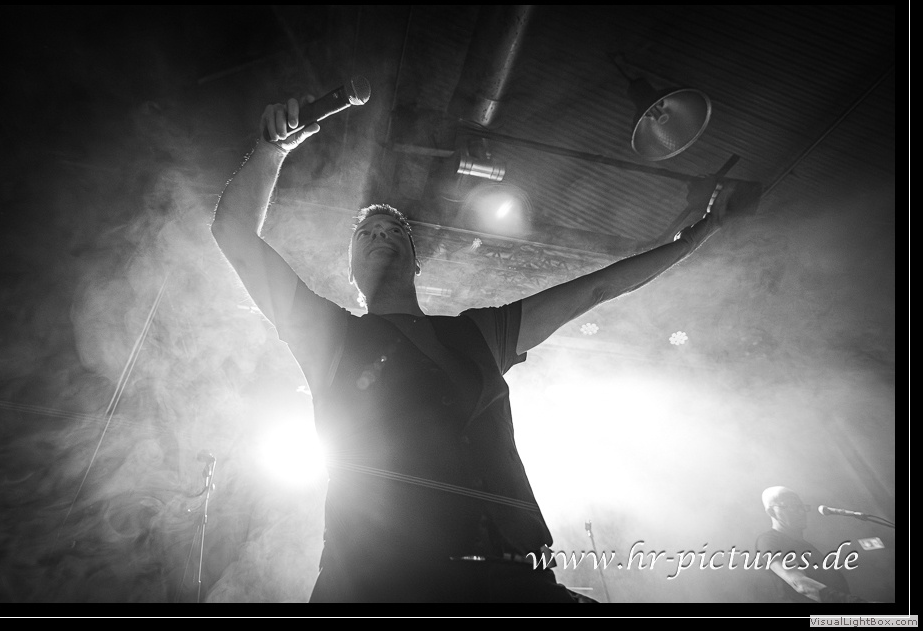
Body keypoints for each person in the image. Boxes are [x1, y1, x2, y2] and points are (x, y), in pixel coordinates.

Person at [211, 96, 728, 603]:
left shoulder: (479, 332)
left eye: (394, 230)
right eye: (365, 233)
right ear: (350, 272)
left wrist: (693, 238)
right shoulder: (329, 334)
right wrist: (272, 152)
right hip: (379, 581)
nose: (380, 234)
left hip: (514, 575)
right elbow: (232, 231)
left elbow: (596, 289)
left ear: (416, 263)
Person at [755, 486, 866, 603]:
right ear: (772, 512)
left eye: (801, 506)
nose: (801, 512)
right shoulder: (768, 541)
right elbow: (800, 583)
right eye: (792, 506)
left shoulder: (806, 545)